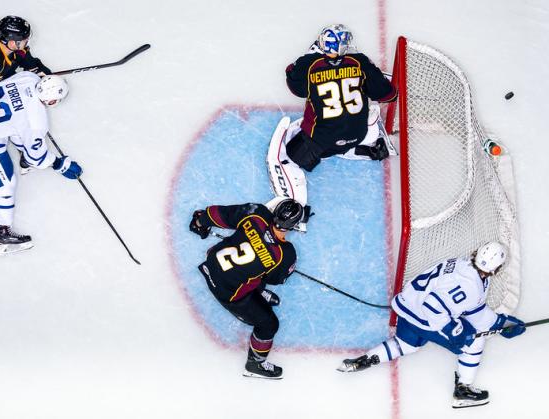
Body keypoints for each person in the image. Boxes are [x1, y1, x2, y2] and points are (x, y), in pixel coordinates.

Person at [336, 242, 526, 409]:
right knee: (474, 342)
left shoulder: (460, 263)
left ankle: (363, 360)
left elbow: (474, 311)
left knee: (406, 345)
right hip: (425, 316)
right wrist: (453, 330)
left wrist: (502, 323)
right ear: (496, 268)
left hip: (407, 306)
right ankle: (463, 391)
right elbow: (433, 306)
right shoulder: (472, 286)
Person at [266, 24, 397, 230]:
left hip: (321, 143)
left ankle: (295, 211)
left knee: (290, 150)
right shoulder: (359, 61)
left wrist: (301, 62)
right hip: (358, 134)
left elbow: (295, 86)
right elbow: (388, 95)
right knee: (364, 111)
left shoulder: (310, 64)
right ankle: (373, 149)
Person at [0, 70, 82, 255]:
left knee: (16, 126)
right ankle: (4, 233)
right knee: (5, 184)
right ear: (51, 101)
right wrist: (59, 164)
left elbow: (17, 115)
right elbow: (38, 158)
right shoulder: (36, 122)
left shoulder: (28, 77)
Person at [189, 198, 304, 379]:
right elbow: (275, 279)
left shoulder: (256, 213)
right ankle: (255, 364)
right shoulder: (286, 254)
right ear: (293, 226)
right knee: (268, 324)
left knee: (254, 269)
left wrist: (200, 221)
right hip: (227, 292)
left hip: (212, 262)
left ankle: (257, 292)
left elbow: (220, 214)